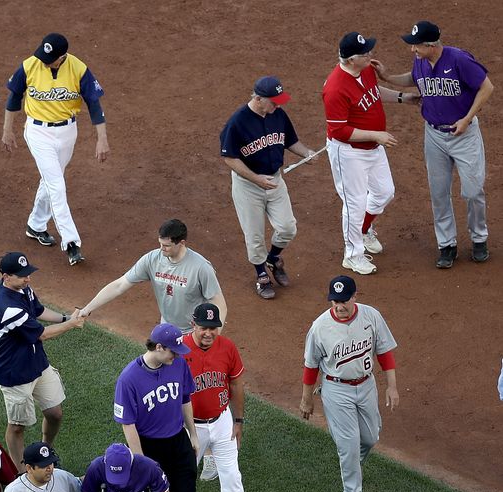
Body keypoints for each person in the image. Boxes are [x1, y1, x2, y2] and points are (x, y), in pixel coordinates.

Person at [371, 21, 494, 269]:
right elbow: (413, 78)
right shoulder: (421, 61)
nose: (412, 50)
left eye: (416, 46)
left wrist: (467, 119)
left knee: (472, 191)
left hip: (464, 135)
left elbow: (486, 87)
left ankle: (479, 238)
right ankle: (446, 244)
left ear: (430, 45)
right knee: (439, 193)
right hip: (434, 136)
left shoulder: (459, 59)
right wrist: (387, 77)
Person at [1, 32, 110, 266]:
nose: (44, 61)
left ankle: (36, 225)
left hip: (68, 132)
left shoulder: (78, 69)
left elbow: (94, 104)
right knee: (57, 186)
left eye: (50, 58)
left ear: (62, 57)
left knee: (51, 180)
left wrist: (102, 138)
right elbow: (13, 99)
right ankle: (71, 243)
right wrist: (7, 130)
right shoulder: (30, 65)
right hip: (38, 133)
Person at [299, 275, 399, 492]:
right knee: (349, 444)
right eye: (335, 301)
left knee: (371, 437)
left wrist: (392, 386)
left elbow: (384, 352)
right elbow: (311, 366)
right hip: (336, 389)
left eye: (344, 301)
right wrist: (306, 399)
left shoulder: (371, 316)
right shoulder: (320, 327)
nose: (339, 306)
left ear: (355, 297)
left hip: (366, 385)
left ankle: (351, 460)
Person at [322, 32, 419, 275]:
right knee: (354, 203)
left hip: (373, 148)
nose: (371, 56)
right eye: (366, 54)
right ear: (351, 59)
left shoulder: (365, 70)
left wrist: (402, 97)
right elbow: (340, 130)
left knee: (385, 192)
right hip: (349, 153)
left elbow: (373, 92)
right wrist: (377, 135)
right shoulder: (335, 88)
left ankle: (363, 231)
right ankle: (352, 255)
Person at [113, 322, 200, 492]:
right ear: (158, 347)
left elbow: (185, 398)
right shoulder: (129, 378)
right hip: (149, 447)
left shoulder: (178, 364)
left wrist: (193, 433)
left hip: (178, 441)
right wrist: (141, 460)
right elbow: (127, 423)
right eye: (173, 351)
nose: (178, 356)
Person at [220, 76, 317, 299]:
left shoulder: (278, 114)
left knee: (287, 228)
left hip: (275, 180)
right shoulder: (237, 122)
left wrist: (306, 153)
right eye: (274, 101)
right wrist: (256, 179)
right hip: (248, 185)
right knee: (254, 236)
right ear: (258, 99)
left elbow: (290, 141)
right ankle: (261, 274)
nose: (278, 105)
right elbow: (230, 158)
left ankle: (273, 259)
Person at [0, 251, 85, 468]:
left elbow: (39, 310)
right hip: (14, 373)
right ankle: (23, 472)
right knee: (17, 426)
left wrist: (66, 317)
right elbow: (42, 334)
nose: (28, 278)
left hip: (36, 363)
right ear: (6, 276)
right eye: (22, 275)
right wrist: (71, 324)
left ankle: (46, 450)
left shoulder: (22, 289)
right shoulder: (6, 307)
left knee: (55, 413)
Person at [182, 303, 256, 492]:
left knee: (232, 477)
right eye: (204, 327)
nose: (209, 333)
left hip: (222, 421)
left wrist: (238, 421)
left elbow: (236, 385)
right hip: (190, 427)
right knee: (181, 480)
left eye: (214, 328)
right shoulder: (179, 351)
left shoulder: (228, 347)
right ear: (194, 324)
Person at [79, 219, 227, 333]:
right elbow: (120, 285)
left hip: (193, 333)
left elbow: (219, 303)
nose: (162, 249)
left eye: (167, 246)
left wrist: (215, 336)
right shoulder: (153, 259)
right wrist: (87, 309)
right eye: (160, 244)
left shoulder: (200, 267)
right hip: (166, 329)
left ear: (181, 243)